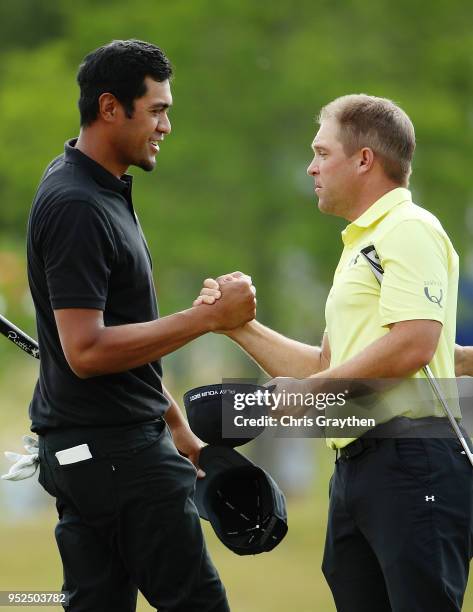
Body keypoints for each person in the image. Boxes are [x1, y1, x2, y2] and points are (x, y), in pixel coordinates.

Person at [195, 95, 473, 611]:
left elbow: (414, 342)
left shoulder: (409, 228)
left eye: (322, 152)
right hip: (357, 469)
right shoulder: (357, 246)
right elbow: (328, 368)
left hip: (413, 460)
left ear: (364, 159)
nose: (311, 166)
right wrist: (238, 328)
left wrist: (308, 395)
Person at [27, 39, 256, 612]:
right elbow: (86, 350)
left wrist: (176, 422)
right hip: (117, 456)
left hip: (98, 448)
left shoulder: (99, 189)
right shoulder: (77, 204)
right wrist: (206, 320)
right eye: (156, 110)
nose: (167, 126)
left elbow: (124, 336)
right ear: (110, 108)